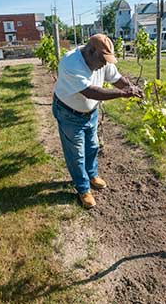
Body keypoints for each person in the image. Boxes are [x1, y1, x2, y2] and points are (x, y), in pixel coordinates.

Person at [52, 34, 142, 208]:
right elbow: (91, 92)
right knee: (76, 154)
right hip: (69, 114)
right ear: (91, 51)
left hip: (90, 112)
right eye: (103, 59)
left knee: (92, 146)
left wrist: (130, 87)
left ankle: (92, 174)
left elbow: (116, 78)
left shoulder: (101, 60)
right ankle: (83, 189)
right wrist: (123, 94)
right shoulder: (71, 63)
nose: (105, 64)